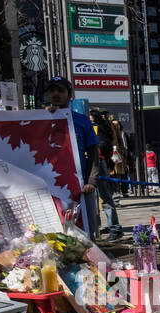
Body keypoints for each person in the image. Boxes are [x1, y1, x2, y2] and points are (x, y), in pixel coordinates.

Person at [45, 77, 102, 239]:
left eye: (60, 90)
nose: (56, 94)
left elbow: (93, 153)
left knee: (84, 231)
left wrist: (91, 181)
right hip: (50, 186)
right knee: (55, 230)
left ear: (69, 95)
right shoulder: (40, 119)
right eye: (52, 90)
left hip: (80, 187)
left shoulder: (82, 121)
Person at [88, 108, 123, 236]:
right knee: (96, 197)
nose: (89, 119)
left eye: (90, 117)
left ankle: (114, 227)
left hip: (98, 162)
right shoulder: (98, 127)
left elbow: (104, 145)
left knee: (105, 196)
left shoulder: (100, 128)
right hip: (93, 162)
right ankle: (101, 227)